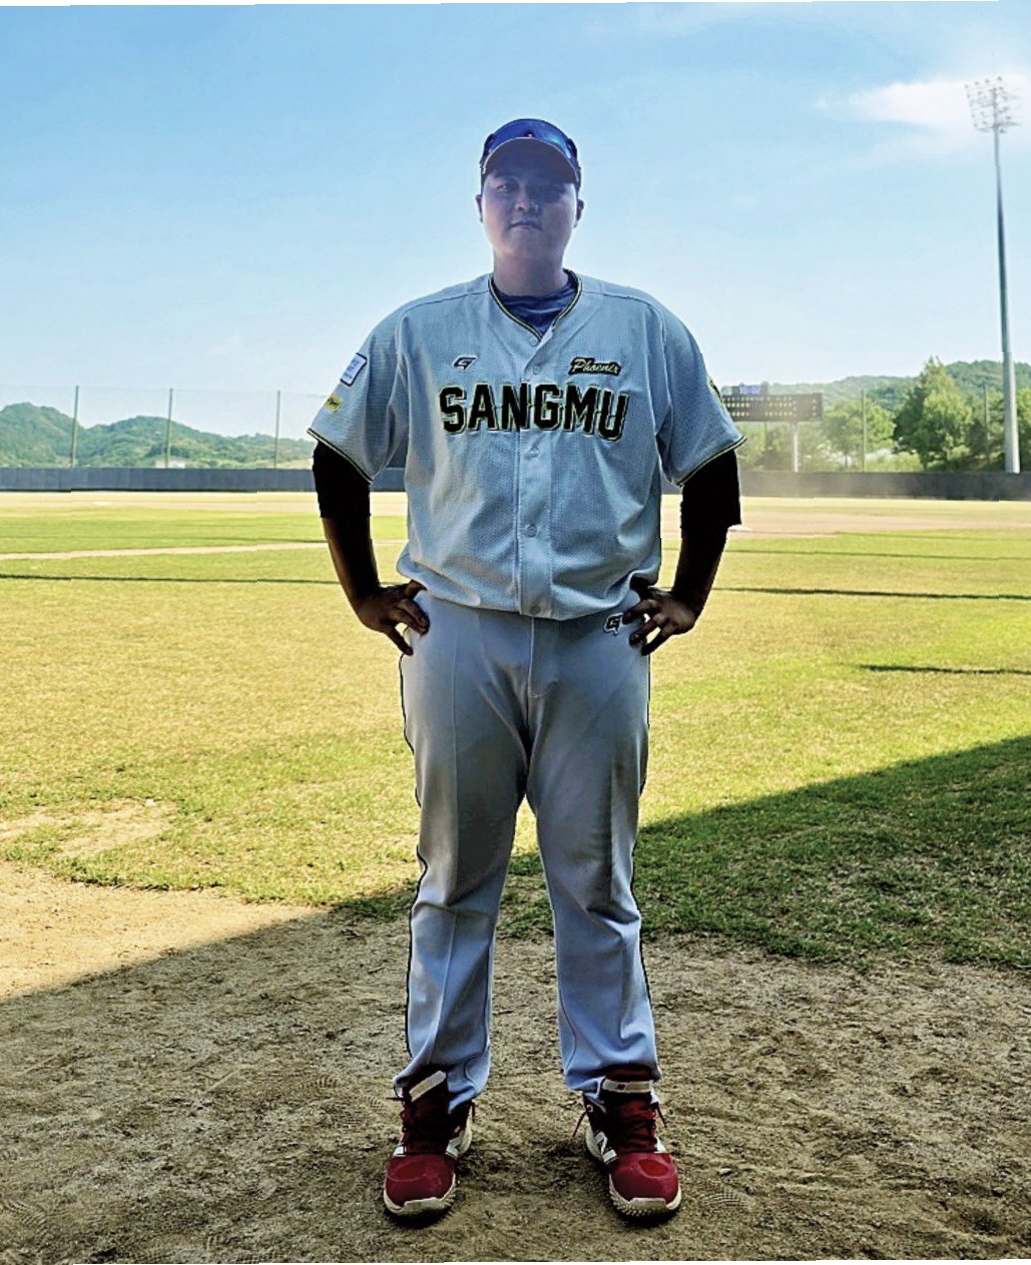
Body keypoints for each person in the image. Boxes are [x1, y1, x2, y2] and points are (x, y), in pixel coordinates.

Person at [310, 118, 745, 1221]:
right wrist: (363, 590)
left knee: (596, 878)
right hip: (458, 631)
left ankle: (619, 1094)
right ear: (481, 204)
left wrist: (688, 593)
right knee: (455, 874)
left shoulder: (643, 329)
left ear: (576, 208)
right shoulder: (421, 330)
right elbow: (337, 452)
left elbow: (712, 465)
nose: (526, 201)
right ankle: (436, 1102)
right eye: (506, 183)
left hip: (601, 634)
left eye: (547, 186)